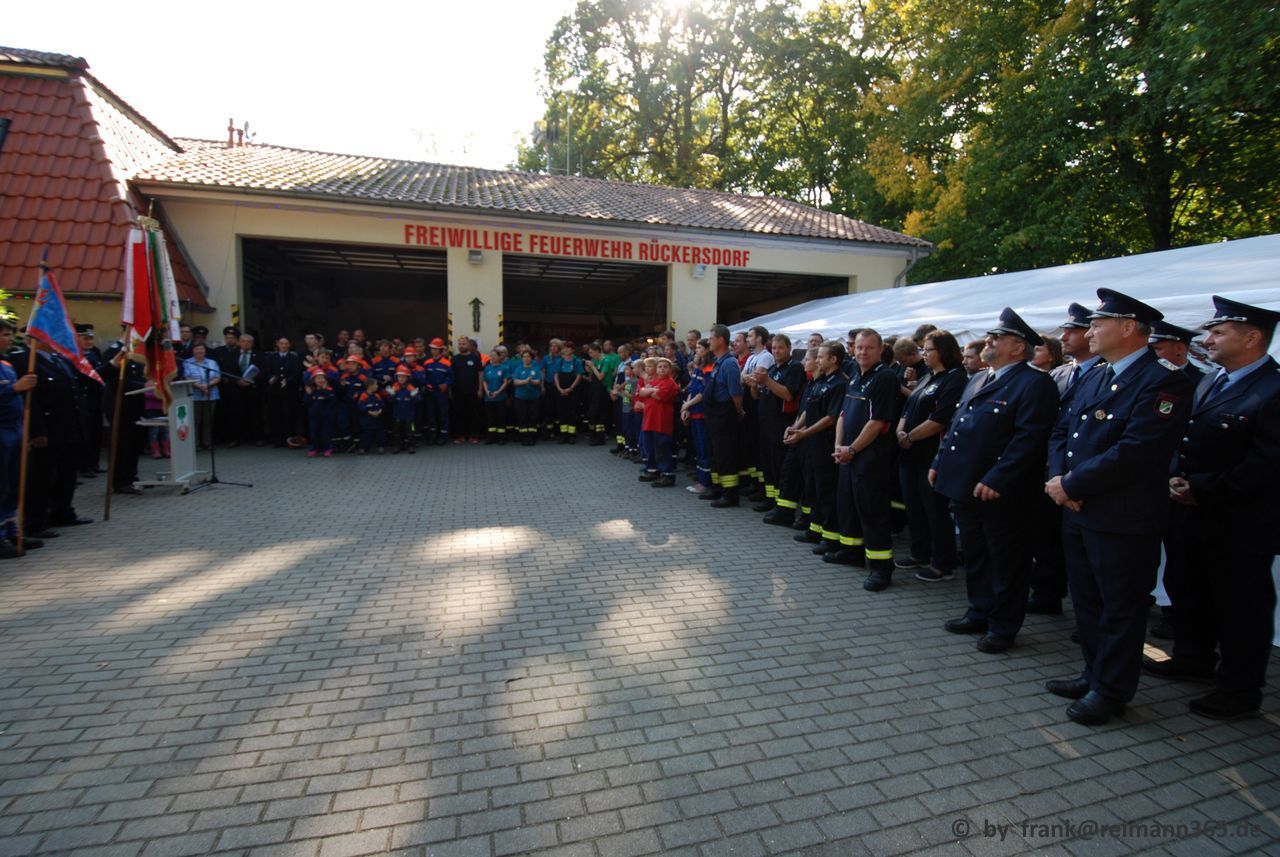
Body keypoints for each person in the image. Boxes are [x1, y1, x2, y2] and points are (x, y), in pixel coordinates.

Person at [1044, 289, 1193, 726]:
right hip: (1078, 508)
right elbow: (1063, 433)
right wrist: (1060, 481)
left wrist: (1071, 483)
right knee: (1087, 601)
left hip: (1122, 516)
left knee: (1120, 607)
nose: (1089, 331)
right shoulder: (1095, 375)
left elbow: (1137, 451)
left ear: (1128, 328)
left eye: (1097, 324)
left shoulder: (1163, 380)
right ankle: (1093, 674)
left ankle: (1111, 691)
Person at [1149, 297, 1280, 720]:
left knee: (1241, 605)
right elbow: (1183, 437)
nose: (1208, 340)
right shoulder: (1210, 381)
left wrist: (1201, 489)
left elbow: (1267, 463)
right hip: (1192, 512)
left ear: (1253, 337)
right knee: (1190, 587)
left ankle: (1240, 689)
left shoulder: (1272, 389)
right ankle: (1193, 656)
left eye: (1219, 333)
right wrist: (1175, 476)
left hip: (1240, 521)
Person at [931, 308, 1059, 654]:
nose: (989, 341)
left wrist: (998, 478)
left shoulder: (1035, 383)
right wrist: (940, 461)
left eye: (997, 337)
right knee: (975, 555)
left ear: (1018, 347)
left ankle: (1003, 626)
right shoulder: (979, 378)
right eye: (990, 336)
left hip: (1002, 493)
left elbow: (1029, 439)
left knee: (1007, 562)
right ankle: (979, 611)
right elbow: (957, 426)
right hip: (965, 485)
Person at [829, 330, 899, 591]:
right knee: (848, 506)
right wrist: (839, 445)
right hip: (848, 455)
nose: (862, 352)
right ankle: (851, 552)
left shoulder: (884, 378)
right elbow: (843, 414)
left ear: (880, 350)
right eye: (859, 347)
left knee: (873, 513)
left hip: (870, 458)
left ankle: (881, 569)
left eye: (869, 348)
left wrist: (852, 449)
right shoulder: (856, 375)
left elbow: (877, 422)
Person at [895, 329, 966, 582]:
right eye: (922, 350)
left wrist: (910, 437)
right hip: (910, 455)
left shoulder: (955, 379)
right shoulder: (928, 376)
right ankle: (920, 553)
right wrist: (901, 431)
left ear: (944, 351)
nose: (923, 354)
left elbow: (940, 419)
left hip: (931, 456)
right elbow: (908, 407)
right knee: (914, 507)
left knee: (934, 510)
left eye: (928, 350)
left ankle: (942, 563)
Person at [786, 341, 847, 541]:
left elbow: (831, 418)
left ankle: (830, 537)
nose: (817, 360)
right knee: (813, 488)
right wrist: (797, 427)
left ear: (833, 359)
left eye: (821, 357)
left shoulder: (839, 384)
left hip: (825, 444)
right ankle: (815, 529)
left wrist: (804, 433)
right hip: (812, 444)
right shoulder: (820, 381)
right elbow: (809, 409)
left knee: (826, 490)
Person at [752, 334, 804, 513]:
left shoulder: (794, 368)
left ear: (789, 348)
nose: (776, 351)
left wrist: (766, 380)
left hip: (781, 423)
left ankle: (781, 503)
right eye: (773, 348)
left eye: (780, 348)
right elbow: (757, 396)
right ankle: (770, 497)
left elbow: (788, 395)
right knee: (767, 462)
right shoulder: (773, 368)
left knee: (779, 463)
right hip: (765, 422)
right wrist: (754, 385)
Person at [0, 322, 39, 557]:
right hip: (1, 431)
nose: (9, 339)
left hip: (14, 430)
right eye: (5, 335)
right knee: (1, 485)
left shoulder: (6, 364)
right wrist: (14, 388)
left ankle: (12, 531)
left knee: (14, 485)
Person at [702, 325, 746, 508]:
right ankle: (717, 488)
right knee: (715, 454)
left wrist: (736, 412)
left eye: (711, 338)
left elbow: (736, 393)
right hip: (714, 416)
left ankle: (730, 495)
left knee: (726, 456)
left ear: (721, 340)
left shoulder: (729, 364)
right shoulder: (718, 362)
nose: (708, 341)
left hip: (724, 416)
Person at [638, 357, 680, 487]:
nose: (662, 369)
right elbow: (641, 393)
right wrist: (652, 390)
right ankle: (653, 471)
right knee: (650, 447)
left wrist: (649, 391)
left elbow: (659, 396)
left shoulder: (670, 383)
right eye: (660, 367)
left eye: (665, 367)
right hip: (649, 420)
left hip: (661, 421)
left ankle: (667, 475)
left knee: (662, 448)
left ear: (670, 370)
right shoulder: (655, 381)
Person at [73, 323, 104, 478]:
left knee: (96, 433)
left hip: (96, 400)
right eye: (86, 338)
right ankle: (84, 466)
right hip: (83, 400)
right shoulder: (74, 355)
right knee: (85, 435)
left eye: (91, 338)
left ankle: (94, 463)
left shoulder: (93, 354)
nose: (89, 342)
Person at [262, 337, 302, 447]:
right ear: (278, 344)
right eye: (281, 343)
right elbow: (268, 370)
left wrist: (287, 380)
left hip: (289, 389)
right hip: (275, 389)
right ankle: (277, 439)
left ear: (289, 345)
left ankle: (289, 439)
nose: (283, 346)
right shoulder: (271, 357)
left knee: (289, 414)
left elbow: (297, 372)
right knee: (275, 414)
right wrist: (271, 377)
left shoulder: (294, 357)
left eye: (286, 343)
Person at [182, 342, 220, 450]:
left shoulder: (212, 362)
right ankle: (195, 443)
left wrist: (207, 385)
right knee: (195, 420)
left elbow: (217, 377)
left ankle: (207, 443)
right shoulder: (187, 362)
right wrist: (200, 386)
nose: (200, 351)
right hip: (194, 395)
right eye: (197, 349)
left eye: (202, 349)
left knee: (208, 420)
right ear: (193, 351)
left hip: (211, 394)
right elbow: (187, 377)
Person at [451, 336, 483, 443]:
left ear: (468, 345)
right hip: (457, 392)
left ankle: (472, 436)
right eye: (460, 344)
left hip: (472, 391)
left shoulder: (475, 358)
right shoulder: (454, 359)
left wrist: (480, 389)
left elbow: (480, 374)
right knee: (459, 414)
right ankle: (460, 436)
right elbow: (451, 375)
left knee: (472, 414)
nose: (461, 346)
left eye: (464, 344)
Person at [423, 338, 453, 445]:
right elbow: (424, 377)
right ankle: (432, 436)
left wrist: (445, 384)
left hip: (441, 393)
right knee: (431, 414)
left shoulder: (447, 363)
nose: (433, 350)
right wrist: (427, 384)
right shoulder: (427, 363)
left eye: (435, 349)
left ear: (440, 350)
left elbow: (451, 377)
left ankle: (443, 436)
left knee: (443, 414)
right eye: (432, 348)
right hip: (430, 393)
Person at [553, 340, 584, 444]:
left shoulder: (577, 362)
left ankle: (572, 435)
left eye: (568, 348)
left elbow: (579, 376)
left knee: (572, 412)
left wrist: (571, 388)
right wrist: (559, 388)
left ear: (573, 350)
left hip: (573, 391)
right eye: (564, 348)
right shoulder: (560, 361)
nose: (566, 350)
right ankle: (563, 435)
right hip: (560, 391)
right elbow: (556, 375)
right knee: (561, 412)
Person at [511, 348, 543, 445]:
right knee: (522, 417)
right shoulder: (518, 369)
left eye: (528, 357)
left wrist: (532, 381)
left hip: (534, 397)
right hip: (521, 398)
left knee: (533, 417)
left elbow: (539, 381)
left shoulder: (536, 369)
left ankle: (532, 438)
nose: (526, 358)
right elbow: (515, 382)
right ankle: (524, 438)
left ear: (532, 359)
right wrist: (525, 381)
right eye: (524, 357)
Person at [304, 372, 337, 458]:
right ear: (314, 380)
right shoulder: (312, 390)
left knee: (326, 433)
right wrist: (309, 394)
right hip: (314, 416)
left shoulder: (330, 390)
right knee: (314, 433)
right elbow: (306, 403)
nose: (321, 380)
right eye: (318, 378)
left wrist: (324, 390)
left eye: (322, 378)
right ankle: (314, 449)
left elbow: (332, 402)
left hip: (326, 416)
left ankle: (328, 449)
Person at [387, 365, 419, 454]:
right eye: (399, 377)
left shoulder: (411, 388)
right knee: (397, 431)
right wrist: (392, 394)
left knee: (411, 430)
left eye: (403, 377)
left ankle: (411, 446)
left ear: (407, 378)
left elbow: (417, 401)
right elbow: (390, 401)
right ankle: (397, 446)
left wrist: (414, 396)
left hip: (409, 415)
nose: (401, 379)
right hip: (397, 414)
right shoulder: (395, 388)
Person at [482, 349, 510, 445]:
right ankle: (491, 437)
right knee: (490, 418)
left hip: (500, 397)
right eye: (491, 355)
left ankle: (501, 438)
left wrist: (498, 392)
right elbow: (484, 381)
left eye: (494, 355)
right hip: (489, 397)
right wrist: (487, 391)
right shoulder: (487, 368)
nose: (492, 357)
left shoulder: (504, 368)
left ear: (499, 357)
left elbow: (505, 382)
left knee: (501, 417)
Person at [356, 376, 386, 454]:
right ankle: (363, 448)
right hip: (367, 419)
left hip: (377, 419)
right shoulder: (363, 395)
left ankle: (381, 447)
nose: (377, 386)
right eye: (375, 384)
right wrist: (369, 412)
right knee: (366, 434)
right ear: (370, 386)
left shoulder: (377, 395)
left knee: (380, 434)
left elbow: (382, 404)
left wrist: (380, 411)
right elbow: (360, 407)